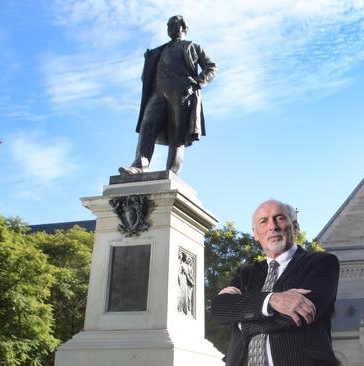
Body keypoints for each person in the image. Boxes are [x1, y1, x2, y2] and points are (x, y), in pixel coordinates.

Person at [211, 200, 340, 366]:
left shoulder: (320, 263)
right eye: (263, 221)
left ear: (295, 226)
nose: (273, 226)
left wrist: (243, 323)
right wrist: (271, 300)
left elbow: (301, 314)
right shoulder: (245, 273)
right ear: (256, 234)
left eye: (279, 218)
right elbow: (220, 309)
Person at [119, 15, 217, 175]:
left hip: (182, 93)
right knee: (147, 124)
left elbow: (211, 67)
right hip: (159, 91)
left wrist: (198, 82)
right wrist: (148, 60)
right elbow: (146, 77)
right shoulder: (159, 51)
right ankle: (140, 165)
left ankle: (172, 171)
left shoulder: (192, 46)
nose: (171, 28)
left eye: (174, 25)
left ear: (184, 28)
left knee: (177, 133)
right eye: (169, 25)